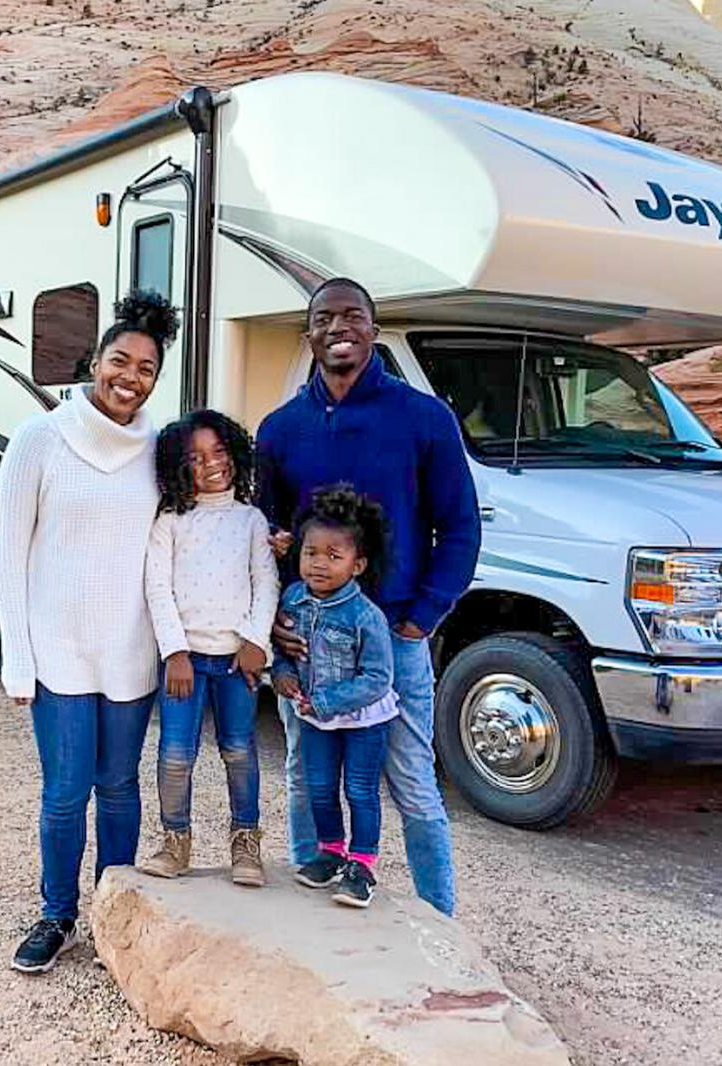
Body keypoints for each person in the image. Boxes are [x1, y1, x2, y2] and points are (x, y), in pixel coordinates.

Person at [257, 277, 480, 917]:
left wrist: (422, 616)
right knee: (308, 775)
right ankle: (313, 890)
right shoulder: (281, 430)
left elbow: (460, 525)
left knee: (412, 783)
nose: (338, 328)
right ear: (309, 336)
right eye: (324, 319)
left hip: (395, 640)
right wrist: (275, 622)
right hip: (308, 642)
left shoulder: (423, 418)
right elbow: (266, 536)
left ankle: (440, 920)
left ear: (374, 331)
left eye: (352, 316)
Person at [0, 290, 180, 974]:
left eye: (147, 368)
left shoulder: (161, 450)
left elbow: (183, 537)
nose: (130, 377)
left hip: (130, 651)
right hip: (59, 652)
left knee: (121, 788)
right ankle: (57, 915)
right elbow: (8, 555)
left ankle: (114, 913)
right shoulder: (39, 439)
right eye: (120, 360)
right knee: (66, 792)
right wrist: (18, 660)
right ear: (94, 360)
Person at [138, 410, 279, 887]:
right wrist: (174, 652)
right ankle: (175, 841)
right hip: (186, 663)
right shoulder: (171, 521)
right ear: (180, 467)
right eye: (196, 458)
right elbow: (156, 587)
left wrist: (257, 642)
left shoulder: (251, 520)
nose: (211, 464)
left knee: (239, 750)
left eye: (219, 452)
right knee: (176, 754)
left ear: (235, 455)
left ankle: (246, 843)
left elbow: (267, 583)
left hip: (237, 662)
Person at [272, 486, 398, 909]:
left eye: (333, 555)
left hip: (362, 720)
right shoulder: (293, 599)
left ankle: (361, 865)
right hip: (313, 718)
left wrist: (325, 701)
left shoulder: (366, 617)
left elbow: (378, 678)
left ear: (357, 564)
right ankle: (331, 853)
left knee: (360, 790)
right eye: (311, 552)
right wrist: (284, 676)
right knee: (320, 788)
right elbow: (284, 651)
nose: (319, 563)